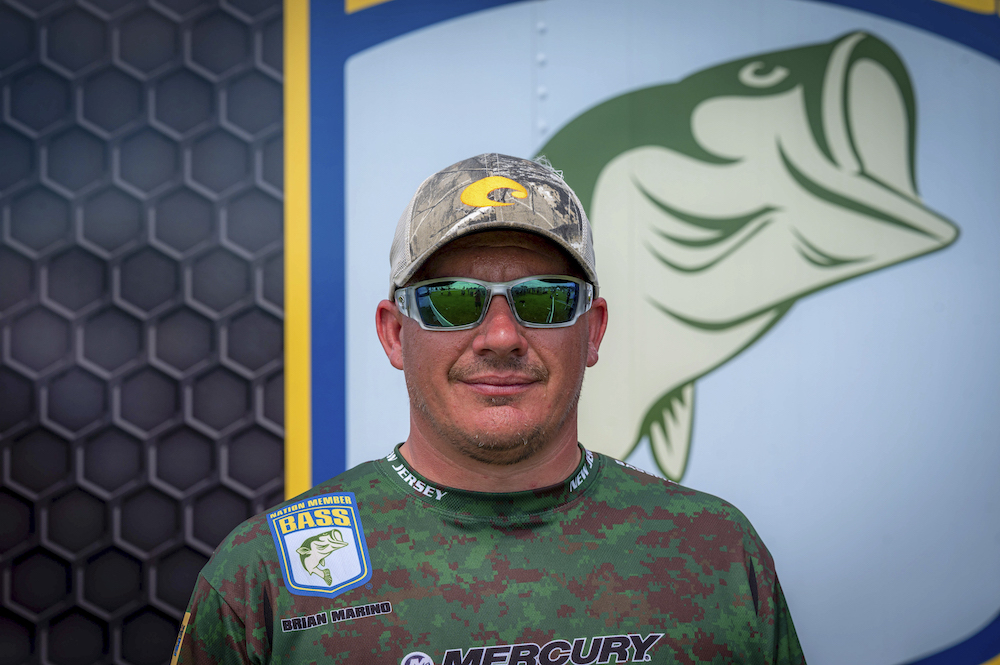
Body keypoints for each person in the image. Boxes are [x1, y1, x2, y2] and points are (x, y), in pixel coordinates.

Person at [172, 153, 806, 664]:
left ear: (593, 331)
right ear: (394, 334)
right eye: (452, 301)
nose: (501, 336)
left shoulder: (717, 552)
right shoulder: (265, 576)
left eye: (543, 300)